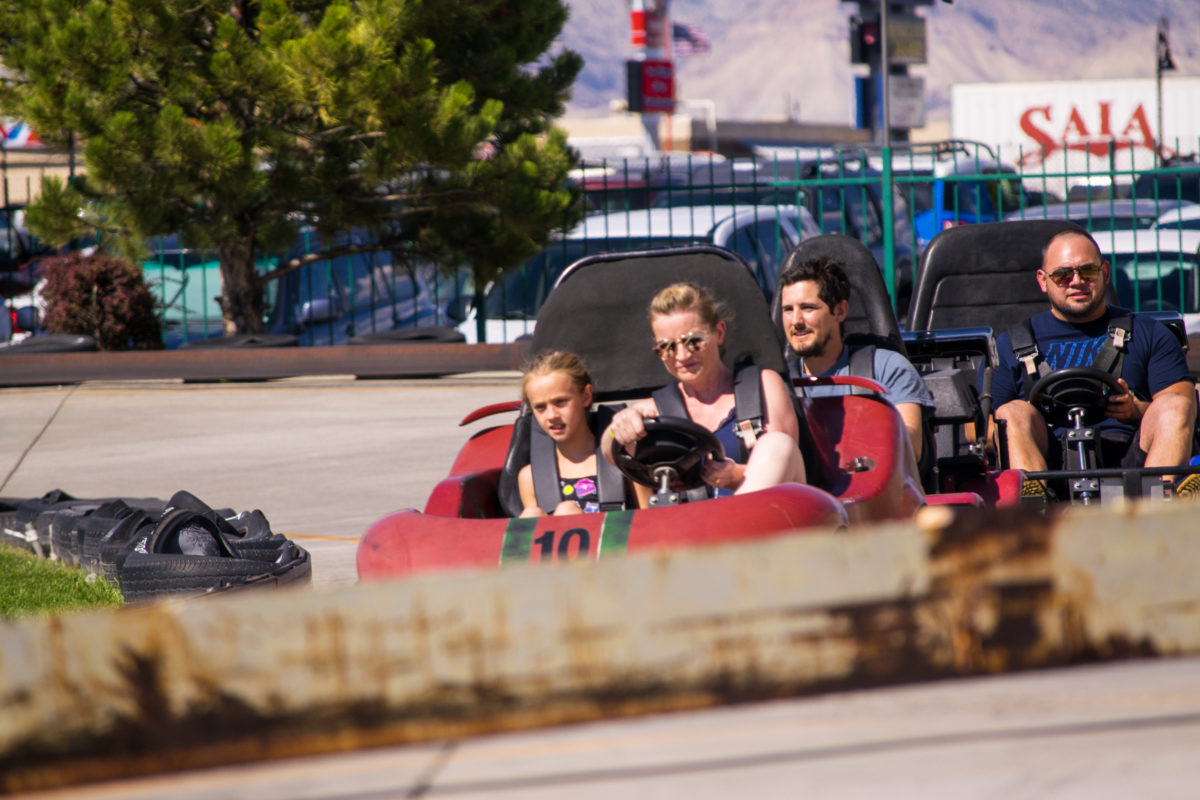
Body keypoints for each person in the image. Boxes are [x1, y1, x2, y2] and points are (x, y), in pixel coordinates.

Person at [989, 228, 1197, 486]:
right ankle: (1034, 507)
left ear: (1105, 273)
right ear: (1043, 280)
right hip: (1047, 464)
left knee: (1174, 404)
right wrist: (1032, 419)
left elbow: (1185, 410)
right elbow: (983, 433)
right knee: (1009, 413)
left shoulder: (1150, 333)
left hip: (1133, 463)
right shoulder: (1009, 345)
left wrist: (1135, 410)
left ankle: (1158, 506)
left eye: (1087, 271)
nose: (1076, 281)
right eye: (1062, 275)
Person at [603, 282, 806, 497]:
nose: (682, 356)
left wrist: (735, 475)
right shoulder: (653, 411)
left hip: (770, 520)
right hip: (694, 527)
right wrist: (618, 427)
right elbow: (609, 451)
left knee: (777, 444)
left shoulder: (762, 387)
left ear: (718, 333)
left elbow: (784, 466)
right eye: (667, 347)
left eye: (693, 341)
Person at [777, 254, 934, 466]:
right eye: (788, 310)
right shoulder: (779, 386)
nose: (796, 321)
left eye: (808, 308)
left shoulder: (887, 369)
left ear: (840, 311)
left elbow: (911, 448)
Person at [517, 350, 636, 516]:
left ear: (586, 396)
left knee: (567, 511)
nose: (552, 415)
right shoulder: (531, 477)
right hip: (554, 539)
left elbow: (650, 522)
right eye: (540, 407)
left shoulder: (625, 461)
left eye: (560, 402)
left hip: (618, 540)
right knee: (531, 514)